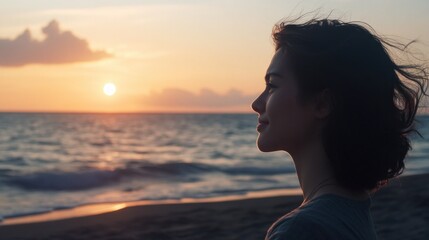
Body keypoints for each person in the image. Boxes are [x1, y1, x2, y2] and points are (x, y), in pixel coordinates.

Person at [251, 15, 428, 240]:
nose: (256, 104)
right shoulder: (353, 209)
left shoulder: (300, 230)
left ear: (323, 103)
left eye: (272, 85)